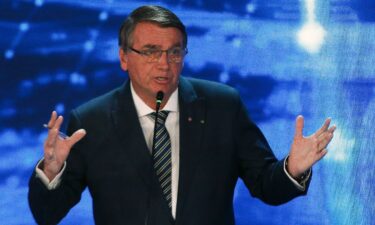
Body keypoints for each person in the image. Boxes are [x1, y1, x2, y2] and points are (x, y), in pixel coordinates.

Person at [28, 5, 336, 225]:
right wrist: (51, 172)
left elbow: (265, 185)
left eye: (174, 52)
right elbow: (47, 214)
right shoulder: (91, 120)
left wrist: (292, 169)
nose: (164, 63)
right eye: (150, 51)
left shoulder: (222, 106)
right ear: (123, 57)